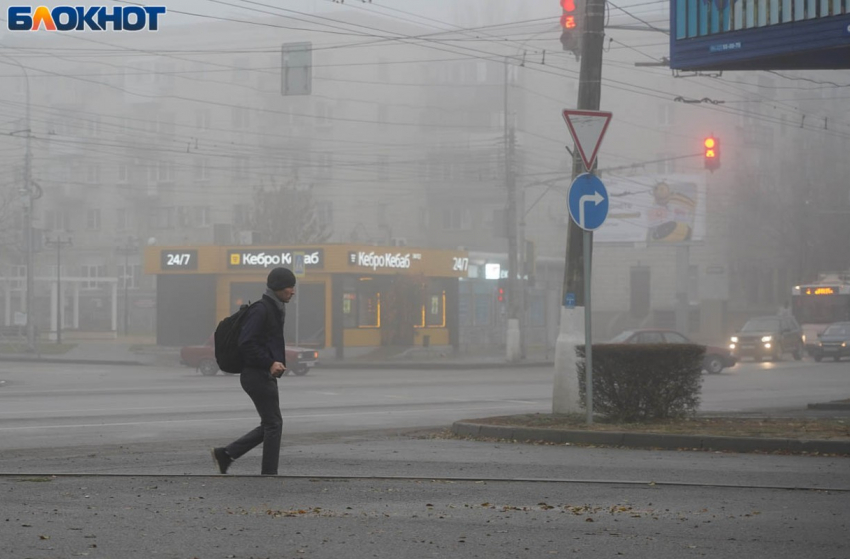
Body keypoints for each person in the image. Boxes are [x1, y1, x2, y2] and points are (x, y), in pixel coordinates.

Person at [211, 267, 296, 475]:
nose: (292, 291)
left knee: (271, 424)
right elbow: (246, 343)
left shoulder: (274, 309)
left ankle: (226, 454)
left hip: (263, 375)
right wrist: (269, 363)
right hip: (256, 374)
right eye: (289, 287)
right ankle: (268, 474)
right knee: (274, 424)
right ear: (277, 287)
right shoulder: (262, 310)